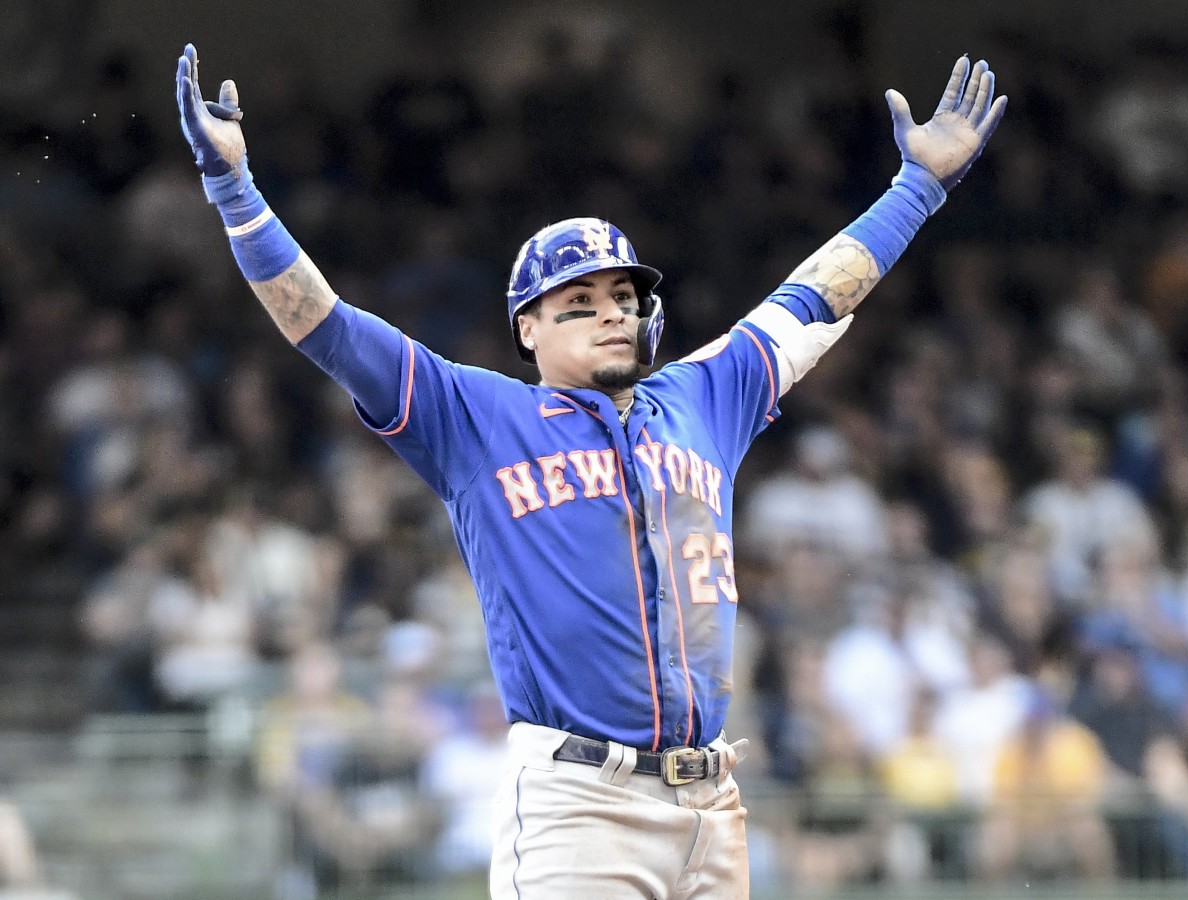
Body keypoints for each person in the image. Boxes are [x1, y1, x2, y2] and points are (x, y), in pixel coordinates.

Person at [176, 42, 1005, 899]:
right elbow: (327, 326)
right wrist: (236, 191)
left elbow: (816, 296)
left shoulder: (702, 395)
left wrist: (919, 188)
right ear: (527, 328)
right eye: (580, 303)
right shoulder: (479, 417)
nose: (610, 314)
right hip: (580, 804)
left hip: (712, 801)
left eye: (623, 299)